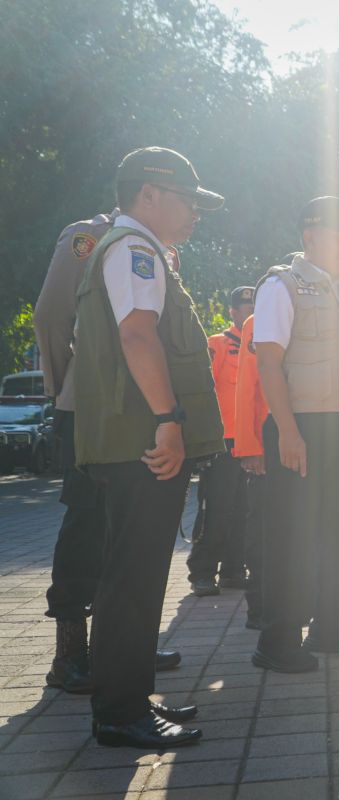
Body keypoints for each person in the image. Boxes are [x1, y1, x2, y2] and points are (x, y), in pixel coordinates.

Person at [72, 146, 226, 747]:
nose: (195, 212)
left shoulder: (134, 249)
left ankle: (129, 698)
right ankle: (120, 711)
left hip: (132, 439)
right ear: (149, 194)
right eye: (188, 200)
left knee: (133, 575)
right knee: (131, 579)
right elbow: (138, 336)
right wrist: (168, 419)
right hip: (143, 440)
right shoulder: (134, 250)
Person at [34, 205, 183, 696]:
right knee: (88, 523)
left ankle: (121, 648)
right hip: (93, 405)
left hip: (142, 408)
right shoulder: (91, 236)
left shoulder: (158, 246)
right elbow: (53, 316)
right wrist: (66, 390)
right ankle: (71, 652)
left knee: (131, 528)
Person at [252, 196, 339, 673]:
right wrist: (287, 430)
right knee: (292, 534)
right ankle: (278, 638)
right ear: (310, 237)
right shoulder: (281, 285)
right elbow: (268, 361)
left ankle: (332, 626)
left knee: (336, 531)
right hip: (301, 426)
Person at [187, 286, 255, 596]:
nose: (251, 308)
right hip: (222, 443)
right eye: (245, 304)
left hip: (252, 443)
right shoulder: (216, 345)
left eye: (256, 303)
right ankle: (202, 571)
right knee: (216, 509)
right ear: (233, 311)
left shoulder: (262, 346)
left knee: (245, 510)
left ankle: (232, 570)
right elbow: (203, 393)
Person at [232, 311, 269, 630]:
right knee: (263, 529)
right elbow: (246, 387)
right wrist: (249, 448)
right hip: (266, 447)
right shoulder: (258, 322)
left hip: (308, 445)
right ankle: (259, 605)